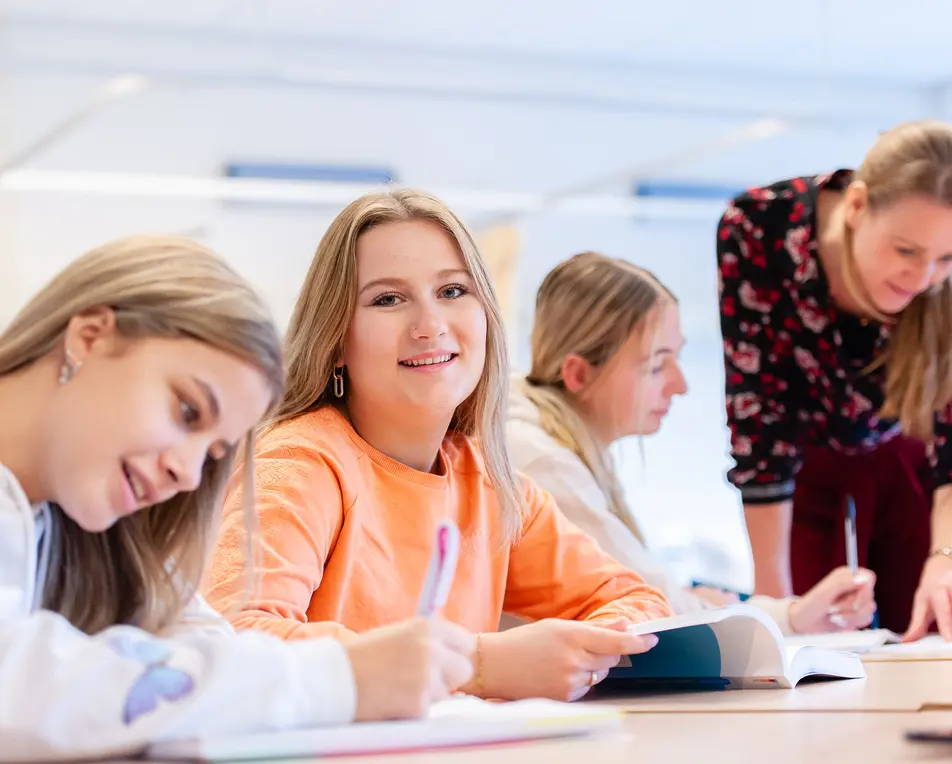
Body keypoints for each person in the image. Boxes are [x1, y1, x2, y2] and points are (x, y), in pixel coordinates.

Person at [0, 235, 474, 762]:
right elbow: (21, 686)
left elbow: (204, 643)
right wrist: (339, 680)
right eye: (187, 411)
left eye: (212, 454)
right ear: (89, 338)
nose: (186, 475)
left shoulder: (80, 526)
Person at [204, 189, 672, 704]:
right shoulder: (299, 462)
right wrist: (477, 665)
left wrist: (580, 652)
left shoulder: (490, 484)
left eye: (452, 291)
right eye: (388, 299)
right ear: (335, 340)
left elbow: (635, 599)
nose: (430, 326)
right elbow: (235, 645)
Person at [507, 250, 877, 635]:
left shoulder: (558, 439)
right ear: (579, 374)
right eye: (656, 365)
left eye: (677, 358)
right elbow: (645, 604)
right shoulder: (540, 462)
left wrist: (702, 602)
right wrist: (790, 616)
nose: (680, 385)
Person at [717, 119, 952, 639]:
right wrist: (775, 609)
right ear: (857, 204)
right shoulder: (758, 225)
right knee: (812, 630)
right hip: (801, 469)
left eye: (945, 259)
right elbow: (758, 413)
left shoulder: (938, 279)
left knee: (929, 624)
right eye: (906, 251)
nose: (923, 279)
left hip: (914, 456)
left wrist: (945, 556)